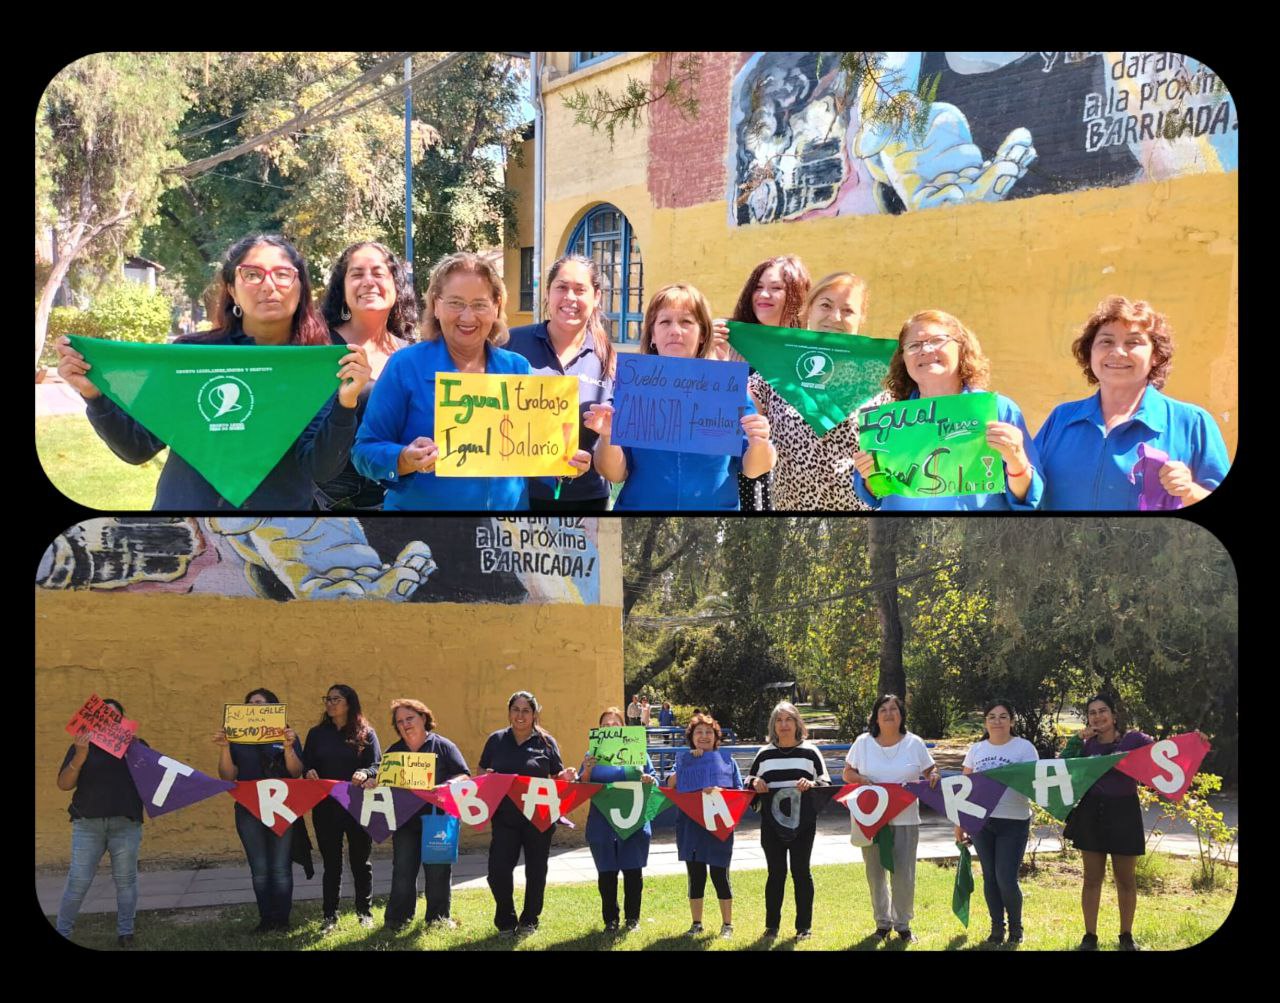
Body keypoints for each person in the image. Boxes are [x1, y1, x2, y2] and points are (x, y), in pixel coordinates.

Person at [55, 234, 371, 509]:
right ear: (232, 288)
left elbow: (322, 468)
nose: (268, 286)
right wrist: (93, 394)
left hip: (281, 533)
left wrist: (346, 405)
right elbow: (138, 448)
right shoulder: (190, 357)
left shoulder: (319, 364)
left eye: (282, 274)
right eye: (252, 274)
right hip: (187, 521)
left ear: (300, 287)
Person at [351, 252, 590, 510]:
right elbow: (364, 451)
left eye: (479, 304)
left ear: (496, 306)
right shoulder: (405, 365)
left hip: (504, 531)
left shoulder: (517, 367)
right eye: (456, 303)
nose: (467, 317)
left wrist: (565, 463)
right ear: (436, 305)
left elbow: (531, 453)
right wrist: (404, 459)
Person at [589, 283, 776, 510]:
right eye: (665, 322)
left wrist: (759, 443)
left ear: (702, 334)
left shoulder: (726, 389)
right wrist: (608, 436)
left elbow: (755, 469)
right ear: (652, 335)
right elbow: (615, 474)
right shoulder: (633, 387)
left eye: (686, 322)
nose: (675, 331)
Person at [1035, 296, 1229, 509]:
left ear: (1155, 355)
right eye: (1106, 341)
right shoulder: (1062, 418)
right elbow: (1026, 490)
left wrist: (1190, 491)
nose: (1118, 352)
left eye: (1133, 342)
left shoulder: (1192, 423)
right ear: (1090, 352)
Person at [852, 309, 1043, 510]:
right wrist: (870, 476)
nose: (925, 350)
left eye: (937, 340)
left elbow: (1027, 500)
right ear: (904, 359)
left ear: (961, 349)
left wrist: (1016, 459)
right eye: (914, 345)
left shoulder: (998, 410)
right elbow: (874, 495)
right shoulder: (887, 421)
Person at [749, 272, 880, 510]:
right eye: (826, 306)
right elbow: (735, 419)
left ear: (860, 319)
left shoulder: (880, 375)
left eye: (848, 310)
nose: (835, 317)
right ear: (809, 310)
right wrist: (714, 356)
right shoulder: (777, 369)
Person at [507, 254, 615, 510]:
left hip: (587, 499)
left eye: (580, 290)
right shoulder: (512, 344)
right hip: (519, 497)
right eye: (561, 287)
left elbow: (611, 441)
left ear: (596, 297)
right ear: (547, 292)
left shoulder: (608, 358)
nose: (570, 298)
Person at [315, 241, 417, 510]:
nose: (368, 282)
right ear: (342, 287)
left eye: (378, 273)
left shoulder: (413, 353)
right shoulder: (318, 347)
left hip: (403, 495)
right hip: (331, 501)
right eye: (357, 274)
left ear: (396, 284)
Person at [714, 255, 811, 510]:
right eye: (758, 287)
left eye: (776, 288)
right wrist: (706, 350)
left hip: (784, 471)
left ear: (797, 294)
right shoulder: (729, 339)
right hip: (733, 463)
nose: (763, 294)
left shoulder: (809, 353)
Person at [842, 694, 939, 943]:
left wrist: (934, 775)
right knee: (875, 873)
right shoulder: (863, 743)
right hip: (871, 819)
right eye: (883, 709)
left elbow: (930, 769)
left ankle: (903, 925)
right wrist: (862, 780)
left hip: (905, 819)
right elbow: (847, 773)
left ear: (901, 715)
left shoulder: (914, 743)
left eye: (893, 709)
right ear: (875, 716)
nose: (888, 713)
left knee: (904, 874)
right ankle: (882, 923)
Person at [479, 691, 578, 934]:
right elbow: (481, 769)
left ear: (534, 714)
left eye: (526, 710)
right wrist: (486, 777)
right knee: (497, 870)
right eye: (516, 710)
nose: (520, 715)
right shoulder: (496, 740)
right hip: (505, 818)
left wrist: (566, 777)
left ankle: (530, 919)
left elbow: (556, 776)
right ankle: (506, 919)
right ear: (509, 712)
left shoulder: (546, 742)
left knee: (536, 870)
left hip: (539, 817)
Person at [1061, 694, 1153, 951]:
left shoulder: (1133, 739)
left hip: (1124, 811)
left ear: (1114, 715)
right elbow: (1062, 766)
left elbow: (1164, 753)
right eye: (1092, 712)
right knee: (1092, 878)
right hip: (1091, 812)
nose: (1098, 716)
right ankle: (1090, 936)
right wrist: (1077, 740)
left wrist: (1195, 742)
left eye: (1103, 711)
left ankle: (1126, 936)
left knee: (1125, 879)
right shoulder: (1086, 745)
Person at [54, 699, 146, 948]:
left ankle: (125, 932)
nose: (108, 720)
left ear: (122, 721)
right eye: (102, 716)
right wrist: (80, 755)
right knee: (78, 880)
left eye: (114, 716)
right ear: (92, 720)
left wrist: (137, 751)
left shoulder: (135, 745)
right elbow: (64, 784)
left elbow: (151, 779)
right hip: (88, 824)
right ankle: (63, 929)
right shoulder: (80, 746)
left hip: (125, 822)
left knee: (126, 880)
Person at [213, 687, 304, 933]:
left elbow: (296, 772)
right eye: (250, 703)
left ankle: (283, 920)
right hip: (248, 809)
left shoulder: (285, 735)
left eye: (260, 703)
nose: (254, 707)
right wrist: (224, 747)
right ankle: (266, 919)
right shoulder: (237, 737)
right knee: (260, 868)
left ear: (272, 708)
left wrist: (287, 747)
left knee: (281, 867)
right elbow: (228, 776)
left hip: (281, 808)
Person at [382, 699, 470, 932]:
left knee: (438, 870)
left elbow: (464, 775)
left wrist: (448, 784)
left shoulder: (443, 746)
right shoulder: (394, 751)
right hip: (405, 821)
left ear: (423, 718)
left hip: (439, 819)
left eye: (409, 718)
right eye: (400, 721)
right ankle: (397, 919)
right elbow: (382, 777)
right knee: (403, 870)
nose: (405, 724)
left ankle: (438, 919)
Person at [956, 700, 1039, 945]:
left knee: (1006, 878)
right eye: (992, 716)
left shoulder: (1024, 748)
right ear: (985, 722)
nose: (997, 721)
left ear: (1012, 721)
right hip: (982, 822)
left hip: (1014, 821)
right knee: (990, 877)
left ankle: (1016, 929)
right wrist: (960, 822)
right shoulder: (977, 750)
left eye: (1003, 716)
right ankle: (996, 929)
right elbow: (964, 788)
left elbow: (1034, 780)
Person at [746, 701, 830, 940]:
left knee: (801, 872)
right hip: (771, 825)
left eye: (788, 720)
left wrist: (811, 784)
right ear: (773, 725)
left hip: (803, 825)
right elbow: (748, 784)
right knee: (775, 873)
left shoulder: (811, 752)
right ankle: (771, 926)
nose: (783, 725)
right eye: (779, 720)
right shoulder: (764, 754)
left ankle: (804, 927)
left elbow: (825, 784)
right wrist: (755, 784)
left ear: (797, 723)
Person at [302, 684, 382, 932]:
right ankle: (330, 915)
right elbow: (307, 764)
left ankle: (364, 912)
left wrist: (366, 772)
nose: (330, 703)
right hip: (326, 808)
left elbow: (377, 765)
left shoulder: (365, 733)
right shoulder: (316, 734)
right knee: (332, 863)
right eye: (327, 699)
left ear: (349, 703)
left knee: (360, 861)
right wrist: (309, 772)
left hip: (357, 806)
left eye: (336, 699)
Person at [580, 707, 658, 932]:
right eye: (605, 725)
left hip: (633, 820)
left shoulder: (638, 752)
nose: (610, 728)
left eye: (615, 724)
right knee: (606, 873)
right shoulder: (591, 755)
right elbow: (581, 786)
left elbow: (653, 780)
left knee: (633, 871)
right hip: (601, 823)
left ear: (622, 728)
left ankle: (633, 919)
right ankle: (611, 920)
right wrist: (586, 771)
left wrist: (647, 778)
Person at [669, 712, 743, 939]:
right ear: (691, 737)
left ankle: (727, 925)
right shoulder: (685, 760)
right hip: (691, 828)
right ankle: (696, 923)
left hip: (718, 827)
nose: (703, 736)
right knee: (696, 875)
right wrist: (686, 764)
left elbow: (740, 793)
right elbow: (670, 784)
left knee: (720, 874)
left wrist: (722, 793)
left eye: (708, 732)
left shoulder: (727, 762)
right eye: (698, 732)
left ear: (716, 737)